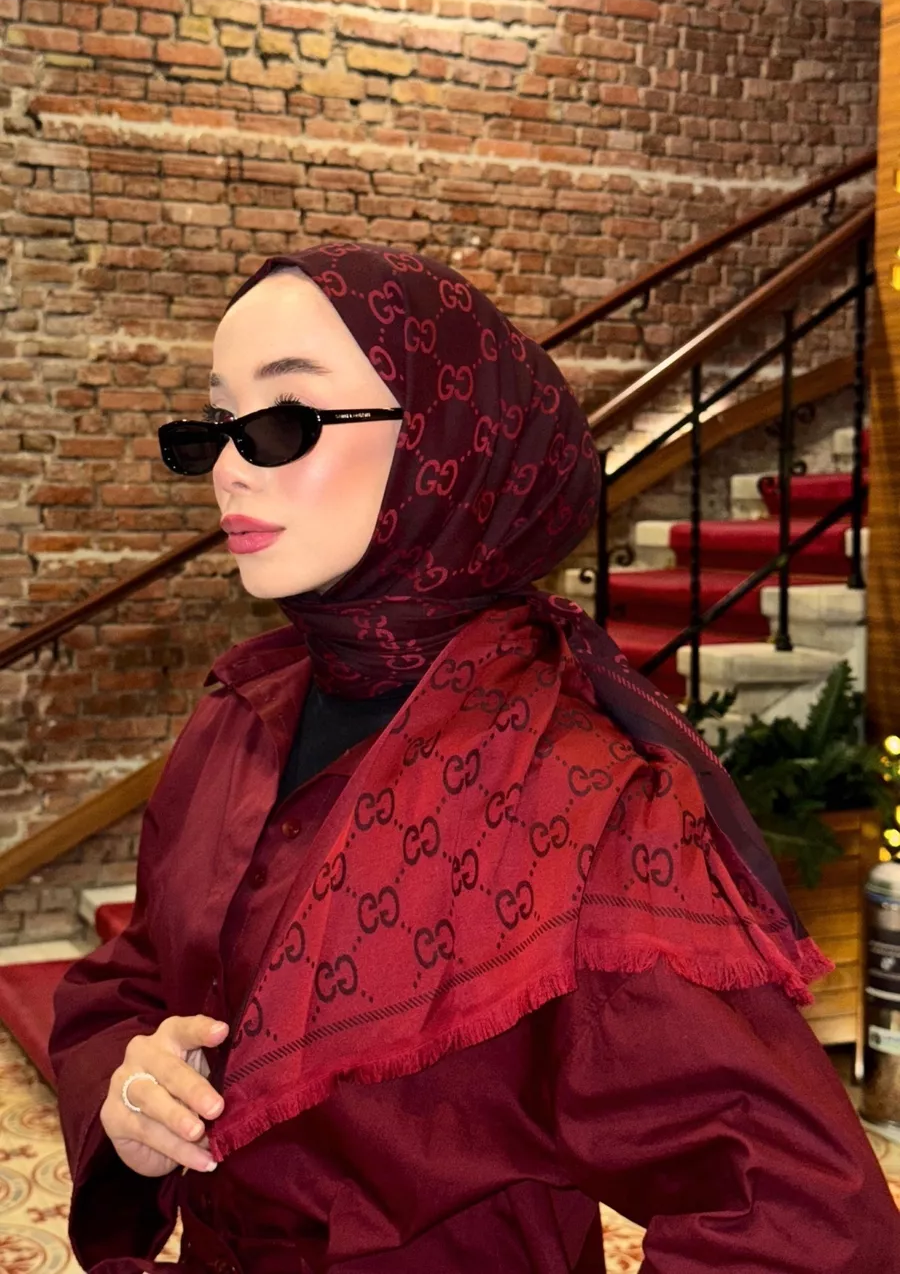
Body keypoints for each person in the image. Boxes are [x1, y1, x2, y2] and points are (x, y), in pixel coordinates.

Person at [51, 243, 900, 1273]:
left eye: (282, 420)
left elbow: (801, 1218)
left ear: (440, 441)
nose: (230, 466)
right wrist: (128, 1091)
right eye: (213, 428)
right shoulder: (240, 716)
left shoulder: (575, 796)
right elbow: (134, 976)